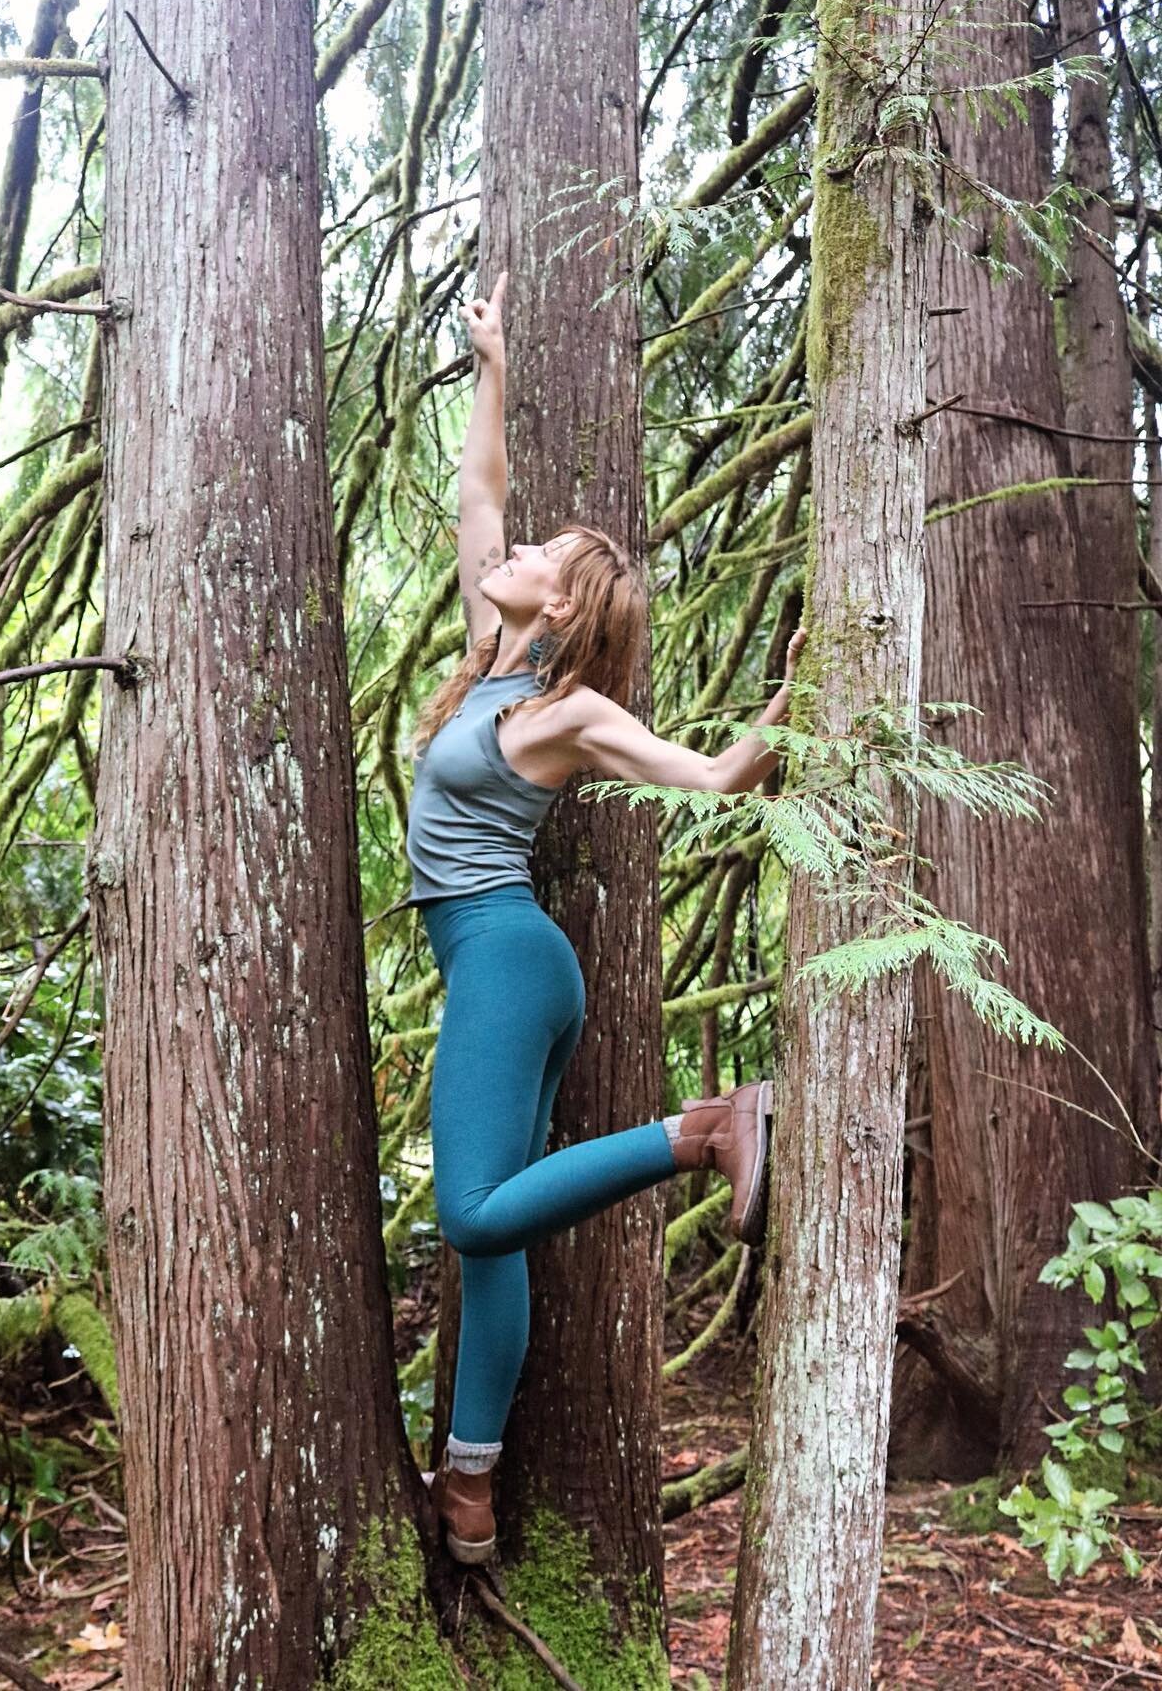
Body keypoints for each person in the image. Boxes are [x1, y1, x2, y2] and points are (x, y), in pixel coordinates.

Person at [409, 270, 808, 1565]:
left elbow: (707, 777)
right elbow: (479, 494)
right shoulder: (491, 655)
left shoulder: (570, 716)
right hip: (489, 958)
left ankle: (703, 1134)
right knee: (494, 1242)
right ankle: (470, 1482)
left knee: (471, 1212)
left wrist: (790, 708)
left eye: (542, 559)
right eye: (521, 555)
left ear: (567, 604)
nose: (514, 554)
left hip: (510, 959)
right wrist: (493, 364)